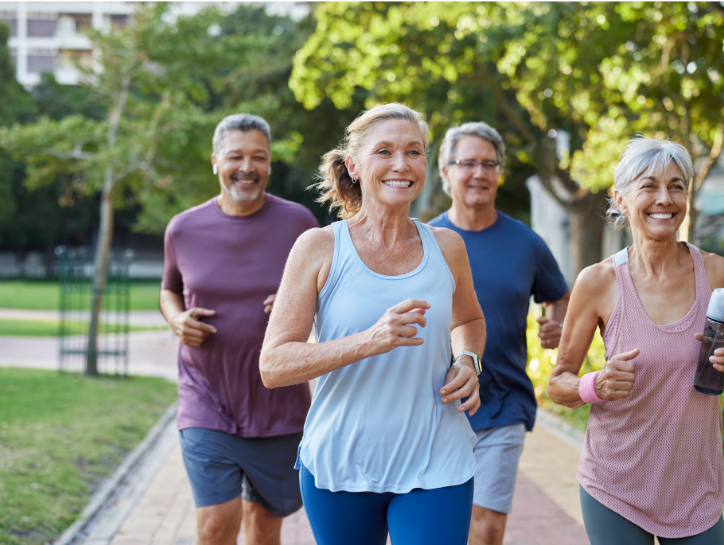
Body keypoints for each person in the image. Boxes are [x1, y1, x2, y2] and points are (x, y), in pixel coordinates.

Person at [259, 103, 484, 545]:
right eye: (384, 151)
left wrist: (470, 360)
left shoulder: (448, 247)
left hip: (436, 456)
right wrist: (369, 341)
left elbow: (470, 319)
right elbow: (273, 365)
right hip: (341, 462)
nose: (401, 165)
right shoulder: (319, 248)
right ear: (354, 166)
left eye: (414, 152)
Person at [547, 137, 724, 544]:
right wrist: (597, 384)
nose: (665, 198)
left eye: (676, 186)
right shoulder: (598, 281)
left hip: (695, 489)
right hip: (614, 485)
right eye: (649, 186)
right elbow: (559, 383)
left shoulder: (717, 272)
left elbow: (721, 375)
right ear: (620, 198)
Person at [160, 114, 318, 545]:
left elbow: (329, 294)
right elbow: (169, 289)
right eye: (236, 156)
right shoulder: (183, 228)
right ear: (215, 161)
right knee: (215, 526)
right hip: (205, 397)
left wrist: (298, 306)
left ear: (269, 165)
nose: (247, 167)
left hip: (278, 403)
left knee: (264, 529)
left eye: (258, 157)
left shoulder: (299, 224)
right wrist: (176, 319)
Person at [428, 122, 570, 545]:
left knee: (486, 530)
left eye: (489, 164)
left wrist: (556, 325)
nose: (479, 173)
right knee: (439, 528)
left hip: (504, 402)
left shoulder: (526, 242)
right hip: (435, 406)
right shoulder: (423, 240)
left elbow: (558, 295)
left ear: (499, 173)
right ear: (445, 172)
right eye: (467, 163)